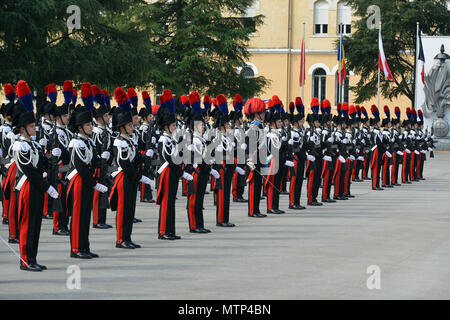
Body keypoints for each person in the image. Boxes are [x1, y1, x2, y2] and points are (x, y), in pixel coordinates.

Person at [13, 80, 60, 271]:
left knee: (36, 224)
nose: (34, 129)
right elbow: (30, 171)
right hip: (27, 187)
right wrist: (46, 186)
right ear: (23, 129)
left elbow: (41, 165)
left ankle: (32, 257)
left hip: (37, 186)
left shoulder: (33, 144)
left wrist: (50, 160)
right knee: (27, 224)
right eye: (31, 127)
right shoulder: (20, 145)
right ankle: (25, 260)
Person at [66, 83, 109, 259]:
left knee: (85, 215)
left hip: (87, 182)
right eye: (88, 125)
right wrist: (95, 183)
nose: (91, 127)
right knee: (77, 216)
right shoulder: (76, 143)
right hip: (79, 182)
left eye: (91, 125)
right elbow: (82, 167)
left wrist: (104, 160)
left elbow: (93, 162)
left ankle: (84, 247)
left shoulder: (88, 142)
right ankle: (76, 249)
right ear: (80, 127)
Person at [109, 87, 151, 249]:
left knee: (130, 208)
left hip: (131, 177)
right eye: (129, 125)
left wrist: (144, 158)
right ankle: (121, 239)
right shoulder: (119, 141)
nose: (132, 126)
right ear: (122, 127)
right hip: (124, 177)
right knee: (123, 209)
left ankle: (127, 237)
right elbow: (125, 164)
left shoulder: (130, 140)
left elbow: (136, 158)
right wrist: (139, 176)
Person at [156, 90, 189, 240]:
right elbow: (169, 158)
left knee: (171, 202)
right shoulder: (164, 140)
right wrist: (181, 172)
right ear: (166, 127)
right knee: (167, 202)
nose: (175, 127)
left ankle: (170, 230)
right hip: (168, 171)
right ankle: (163, 231)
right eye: (173, 125)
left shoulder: (172, 139)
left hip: (173, 171)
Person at [244, 98, 267, 218]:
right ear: (257, 113)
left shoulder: (259, 127)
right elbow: (250, 147)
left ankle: (256, 209)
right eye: (262, 112)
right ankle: (252, 210)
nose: (264, 114)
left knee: (258, 186)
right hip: (254, 161)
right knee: (254, 186)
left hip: (260, 160)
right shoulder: (253, 128)